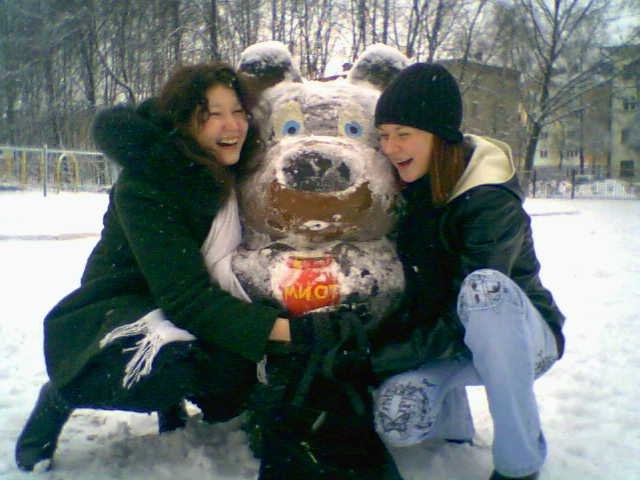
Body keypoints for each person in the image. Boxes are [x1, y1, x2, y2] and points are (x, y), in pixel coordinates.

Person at [14, 62, 340, 472]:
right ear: (184, 122)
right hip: (122, 303)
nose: (232, 125)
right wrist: (294, 331)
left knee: (232, 391)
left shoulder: (236, 167)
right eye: (212, 114)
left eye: (238, 111)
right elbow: (186, 299)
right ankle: (64, 394)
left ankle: (196, 400)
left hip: (186, 294)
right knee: (174, 365)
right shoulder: (147, 183)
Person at [370, 63, 566, 480]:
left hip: (521, 339)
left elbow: (470, 311)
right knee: (398, 418)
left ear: (439, 136)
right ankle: (453, 431)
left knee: (483, 291)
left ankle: (520, 461)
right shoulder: (408, 191)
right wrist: (367, 350)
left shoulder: (490, 201)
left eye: (403, 133)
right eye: (383, 135)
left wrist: (390, 354)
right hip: (458, 344)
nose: (390, 147)